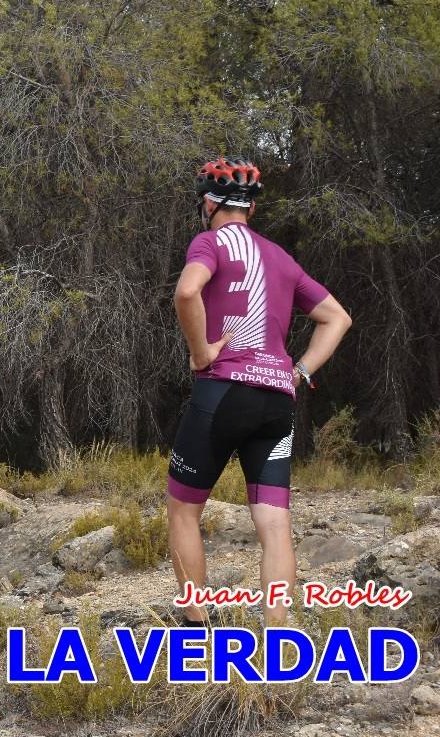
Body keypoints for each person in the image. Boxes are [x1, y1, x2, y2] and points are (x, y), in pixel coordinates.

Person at [168, 157, 351, 626]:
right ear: (251, 208)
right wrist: (300, 371)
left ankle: (195, 621)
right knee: (273, 522)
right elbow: (338, 318)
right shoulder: (281, 258)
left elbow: (188, 293)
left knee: (184, 510)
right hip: (277, 399)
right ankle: (278, 635)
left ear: (209, 203)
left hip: (224, 390)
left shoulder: (209, 242)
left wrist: (201, 351)